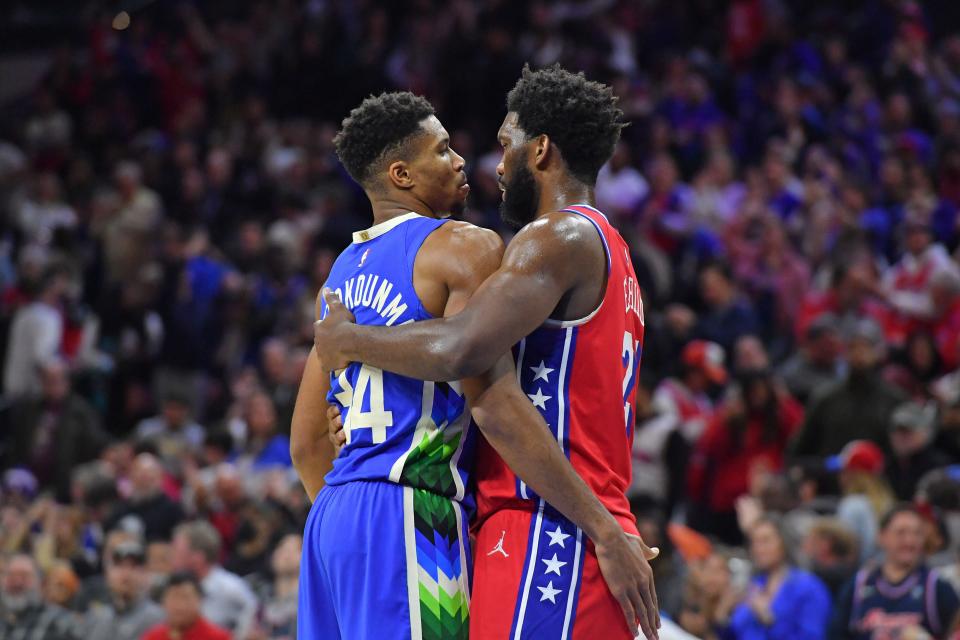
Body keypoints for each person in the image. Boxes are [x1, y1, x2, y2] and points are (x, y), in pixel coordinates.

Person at [297, 85, 657, 640]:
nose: (478, 162)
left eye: (502, 144)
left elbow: (309, 443)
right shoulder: (589, 255)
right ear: (401, 174)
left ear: (538, 151)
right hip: (429, 510)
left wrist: (349, 342)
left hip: (360, 518)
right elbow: (480, 383)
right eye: (445, 150)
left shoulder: (338, 281)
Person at [830, 504, 960, 639]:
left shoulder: (937, 587)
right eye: (901, 533)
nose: (909, 541)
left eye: (917, 533)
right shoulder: (858, 585)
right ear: (881, 536)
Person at [727, 517, 832, 639]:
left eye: (765, 541)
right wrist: (722, 617)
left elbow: (811, 636)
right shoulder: (754, 585)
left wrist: (770, 620)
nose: (758, 549)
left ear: (784, 543)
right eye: (754, 542)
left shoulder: (809, 588)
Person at [170, 520, 258, 639]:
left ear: (198, 558)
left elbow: (253, 622)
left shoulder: (231, 589)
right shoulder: (173, 586)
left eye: (177, 550)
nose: (171, 556)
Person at [83, 541, 165, 640]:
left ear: (146, 574)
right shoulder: (95, 617)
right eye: (119, 565)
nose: (126, 573)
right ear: (107, 574)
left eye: (134, 566)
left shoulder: (158, 619)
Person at [0, 553, 78, 640]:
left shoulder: (61, 621)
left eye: (24, 576)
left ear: (40, 583)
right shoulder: (3, 620)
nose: (17, 582)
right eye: (12, 576)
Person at [142, 571, 231, 640]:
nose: (179, 605)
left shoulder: (218, 637)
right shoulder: (153, 637)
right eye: (174, 597)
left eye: (185, 597)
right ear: (163, 602)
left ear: (199, 600)